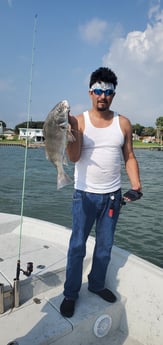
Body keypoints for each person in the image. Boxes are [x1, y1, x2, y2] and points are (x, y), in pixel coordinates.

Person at [60, 67, 142, 318]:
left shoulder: (123, 123)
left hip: (112, 197)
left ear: (113, 95)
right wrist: (73, 132)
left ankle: (96, 285)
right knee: (77, 246)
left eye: (107, 91)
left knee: (105, 247)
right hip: (84, 195)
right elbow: (73, 159)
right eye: (98, 90)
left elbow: (129, 156)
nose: (102, 95)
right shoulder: (80, 121)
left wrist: (136, 185)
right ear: (90, 92)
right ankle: (70, 294)